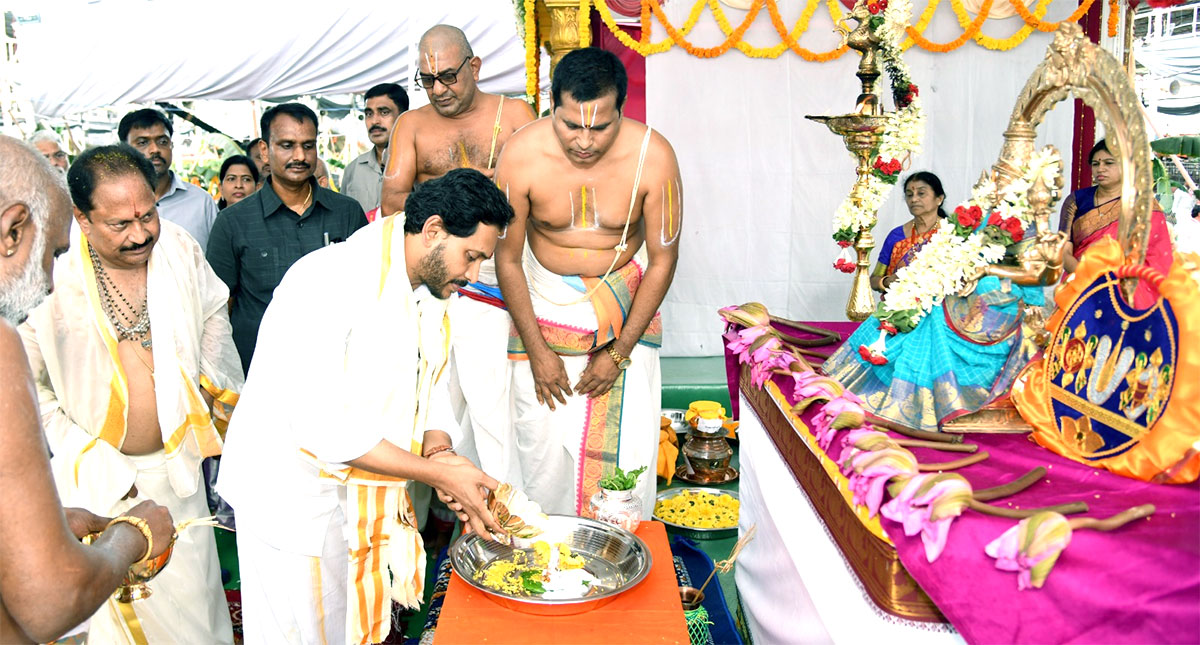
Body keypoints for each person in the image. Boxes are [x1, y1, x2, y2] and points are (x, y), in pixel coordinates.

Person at [217, 169, 509, 645]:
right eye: (471, 256)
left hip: (354, 494)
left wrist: (439, 453)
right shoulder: (328, 281)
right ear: (433, 230)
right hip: (294, 500)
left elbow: (429, 379)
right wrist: (434, 475)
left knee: (345, 622)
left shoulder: (429, 285)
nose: (474, 274)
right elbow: (322, 427)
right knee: (302, 633)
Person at [19, 144, 241, 642]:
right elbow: (30, 388)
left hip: (178, 469)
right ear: (82, 216)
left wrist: (206, 381)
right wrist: (92, 457)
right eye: (120, 224)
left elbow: (213, 308)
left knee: (197, 607)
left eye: (148, 214)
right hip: (99, 483)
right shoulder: (52, 275)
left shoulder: (179, 246)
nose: (140, 234)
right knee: (120, 615)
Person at [0, 135, 175, 644]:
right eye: (53, 253)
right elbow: (52, 600)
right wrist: (133, 535)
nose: (53, 281)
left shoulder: (179, 254)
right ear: (12, 231)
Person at [495, 48, 682, 518]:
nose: (583, 140)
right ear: (550, 106)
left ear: (622, 109)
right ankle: (541, 539)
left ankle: (615, 544)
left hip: (624, 304)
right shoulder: (519, 154)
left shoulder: (653, 155)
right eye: (569, 125)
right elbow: (508, 258)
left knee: (627, 443)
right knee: (539, 444)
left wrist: (619, 353)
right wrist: (538, 351)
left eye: (600, 127)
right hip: (539, 304)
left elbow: (663, 259)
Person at [382, 25, 537, 503]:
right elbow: (391, 204)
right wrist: (460, 198)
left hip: (501, 272)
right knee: (435, 399)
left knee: (500, 404)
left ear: (475, 67)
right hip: (439, 278)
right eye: (427, 80)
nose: (438, 90)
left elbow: (542, 187)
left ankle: (505, 504)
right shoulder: (412, 125)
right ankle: (455, 504)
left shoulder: (514, 114)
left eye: (448, 76)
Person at [207, 103, 367, 375]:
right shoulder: (233, 222)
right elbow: (217, 308)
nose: (300, 156)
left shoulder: (346, 212)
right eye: (287, 145)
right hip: (262, 373)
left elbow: (368, 290)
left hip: (336, 368)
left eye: (308, 145)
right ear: (264, 151)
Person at [1058, 139, 1174, 308]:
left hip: (1126, 292)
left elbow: (1156, 255)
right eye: (1096, 164)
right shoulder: (1076, 200)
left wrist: (1113, 285)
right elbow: (1063, 249)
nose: (1100, 169)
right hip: (1079, 287)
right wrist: (1086, 277)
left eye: (1109, 163)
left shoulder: (1142, 205)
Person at [118, 109, 220, 252]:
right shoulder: (113, 202)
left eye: (162, 141)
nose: (155, 149)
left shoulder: (201, 202)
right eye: (143, 142)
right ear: (124, 149)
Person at [872, 171, 947, 293]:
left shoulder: (951, 233)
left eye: (921, 193)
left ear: (939, 199)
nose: (914, 199)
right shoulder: (896, 236)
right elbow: (874, 279)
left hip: (941, 303)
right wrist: (886, 282)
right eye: (909, 195)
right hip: (900, 305)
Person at [343, 83, 408, 212]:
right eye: (369, 114)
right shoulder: (353, 170)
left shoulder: (418, 166)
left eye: (384, 112)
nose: (374, 121)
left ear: (404, 116)